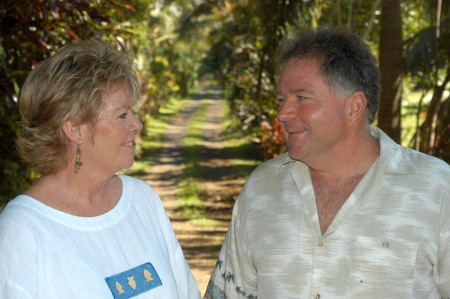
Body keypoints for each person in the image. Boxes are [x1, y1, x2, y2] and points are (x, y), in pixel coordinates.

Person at [205, 27, 450, 298]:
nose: (283, 114)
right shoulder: (261, 189)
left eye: (302, 98)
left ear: (354, 107)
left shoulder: (437, 189)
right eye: (281, 100)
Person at [0, 39, 200, 298]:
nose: (137, 124)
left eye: (133, 112)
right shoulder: (20, 232)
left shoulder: (143, 200)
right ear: (75, 129)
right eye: (122, 115)